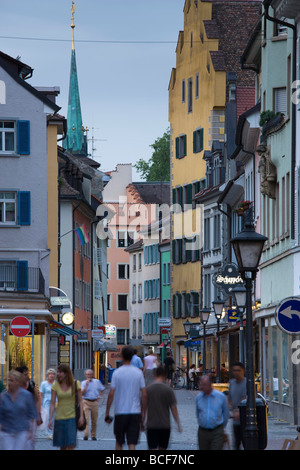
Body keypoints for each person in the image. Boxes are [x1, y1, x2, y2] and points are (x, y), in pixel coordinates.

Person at [105, 346, 147, 450]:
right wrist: (143, 413)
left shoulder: (117, 373)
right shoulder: (138, 373)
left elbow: (111, 394)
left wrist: (107, 412)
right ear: (133, 356)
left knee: (119, 442)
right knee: (132, 442)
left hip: (120, 412)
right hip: (135, 412)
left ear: (122, 356)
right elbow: (144, 394)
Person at [145, 366, 182, 450]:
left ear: (155, 375)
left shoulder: (148, 389)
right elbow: (174, 408)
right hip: (165, 425)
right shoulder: (168, 390)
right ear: (165, 375)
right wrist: (178, 423)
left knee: (152, 449)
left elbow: (143, 406)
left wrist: (143, 420)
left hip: (151, 425)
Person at [49, 364, 84, 450]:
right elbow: (52, 403)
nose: (58, 374)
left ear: (66, 373)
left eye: (61, 372)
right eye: (58, 372)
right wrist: (50, 419)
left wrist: (82, 416)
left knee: (71, 444)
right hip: (59, 418)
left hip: (71, 418)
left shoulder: (76, 384)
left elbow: (80, 400)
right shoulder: (55, 385)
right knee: (63, 445)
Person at [0, 370, 37, 450]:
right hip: (7, 431)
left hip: (22, 431)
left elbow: (32, 413)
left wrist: (31, 430)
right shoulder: (3, 396)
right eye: (8, 380)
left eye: (12, 380)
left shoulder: (26, 396)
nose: (9, 382)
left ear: (17, 382)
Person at [195, 374, 229, 450]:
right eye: (201, 384)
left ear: (210, 385)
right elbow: (197, 413)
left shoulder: (220, 396)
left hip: (217, 430)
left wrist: (222, 428)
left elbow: (226, 414)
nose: (201, 387)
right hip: (202, 431)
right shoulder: (198, 398)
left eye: (204, 385)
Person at [16, 365, 42, 449]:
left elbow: (37, 399)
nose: (28, 376)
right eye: (25, 374)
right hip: (18, 417)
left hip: (30, 417)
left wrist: (38, 413)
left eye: (28, 374)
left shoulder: (31, 384)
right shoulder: (15, 386)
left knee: (29, 441)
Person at [81, 369, 105, 441]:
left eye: (90, 374)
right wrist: (86, 385)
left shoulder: (97, 382)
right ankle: (85, 435)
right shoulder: (83, 383)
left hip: (94, 402)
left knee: (94, 420)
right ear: (85, 375)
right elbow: (82, 393)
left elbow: (102, 389)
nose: (89, 376)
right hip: (86, 401)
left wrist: (99, 397)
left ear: (92, 375)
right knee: (86, 419)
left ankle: (93, 435)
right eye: (87, 375)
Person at [228, 362, 247, 450]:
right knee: (236, 443)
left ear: (243, 371)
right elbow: (230, 399)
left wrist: (238, 411)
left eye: (238, 370)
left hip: (246, 419)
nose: (236, 372)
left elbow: (245, 398)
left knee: (246, 442)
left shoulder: (247, 383)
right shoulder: (232, 383)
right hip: (236, 420)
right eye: (234, 370)